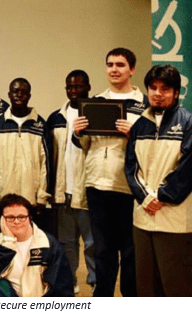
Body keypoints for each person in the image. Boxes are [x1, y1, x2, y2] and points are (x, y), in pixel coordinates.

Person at [72, 47, 148, 297]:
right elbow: (86, 146)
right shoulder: (95, 103)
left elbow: (151, 149)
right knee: (102, 251)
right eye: (110, 64)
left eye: (120, 65)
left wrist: (133, 134)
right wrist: (78, 132)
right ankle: (101, 301)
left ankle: (129, 301)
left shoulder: (144, 106)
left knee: (130, 252)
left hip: (129, 188)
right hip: (98, 186)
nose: (114, 69)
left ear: (132, 69)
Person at [125, 65, 192, 296]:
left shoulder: (187, 122)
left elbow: (187, 168)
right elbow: (131, 167)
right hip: (143, 218)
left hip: (174, 220)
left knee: (176, 287)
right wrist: (145, 197)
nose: (157, 93)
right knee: (146, 287)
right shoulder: (139, 125)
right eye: (153, 88)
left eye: (165, 89)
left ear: (176, 93)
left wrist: (162, 196)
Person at [47, 69, 95, 294]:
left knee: (92, 242)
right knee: (66, 242)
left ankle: (96, 283)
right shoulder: (56, 118)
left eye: (78, 86)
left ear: (88, 88)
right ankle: (70, 280)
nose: (73, 90)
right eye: (69, 87)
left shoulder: (96, 115)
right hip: (62, 190)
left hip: (87, 190)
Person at [0, 194, 74, 297]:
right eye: (10, 217)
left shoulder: (48, 244)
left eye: (21, 217)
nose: (16, 221)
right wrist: (9, 241)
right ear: (2, 219)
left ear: (30, 217)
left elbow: (63, 287)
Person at [0, 78, 50, 210]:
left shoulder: (40, 125)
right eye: (15, 91)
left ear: (29, 96)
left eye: (24, 92)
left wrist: (42, 197)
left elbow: (46, 165)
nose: (19, 95)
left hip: (31, 199)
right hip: (3, 198)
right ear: (9, 95)